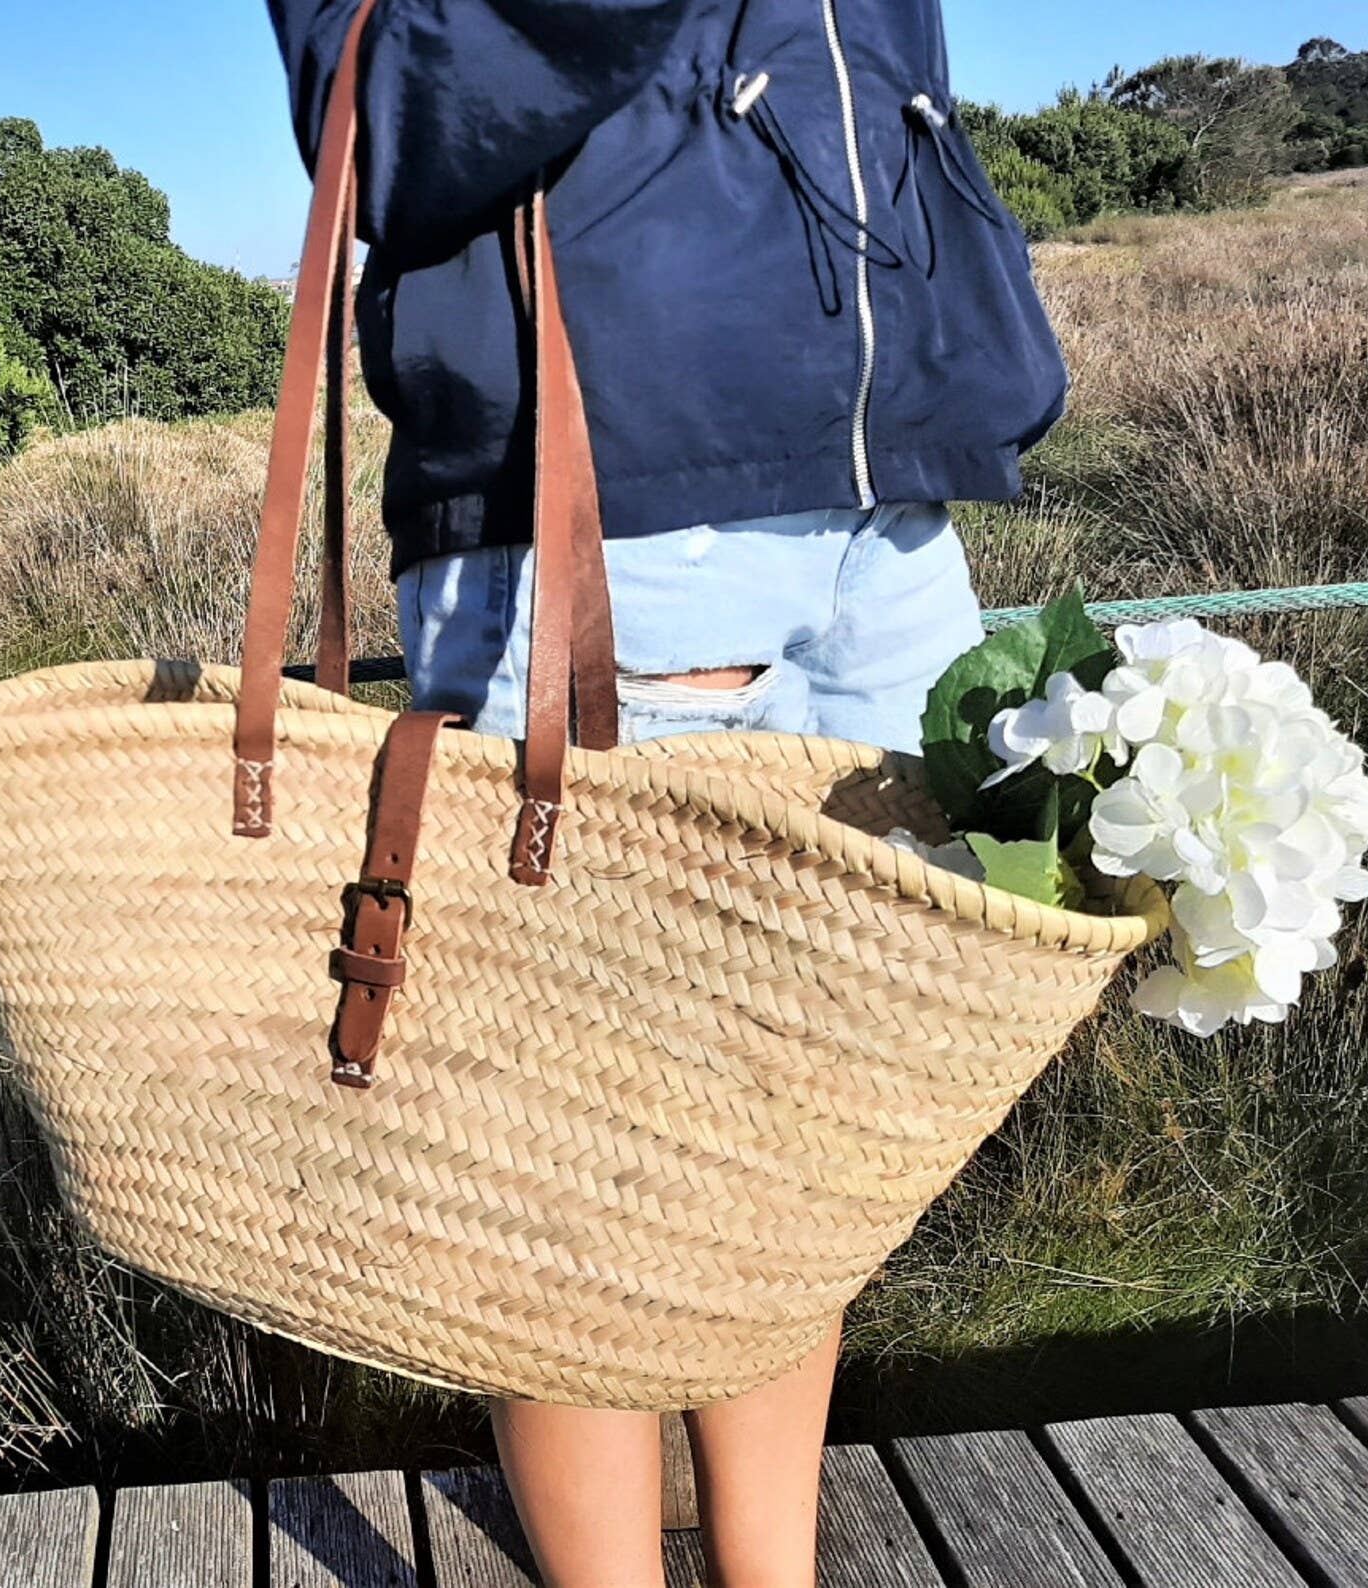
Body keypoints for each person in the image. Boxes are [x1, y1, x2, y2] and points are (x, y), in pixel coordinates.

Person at [267, 1, 1069, 1582]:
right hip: (611, 496)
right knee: (579, 1163)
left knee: (809, 1129)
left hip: (890, 506)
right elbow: (385, 112)